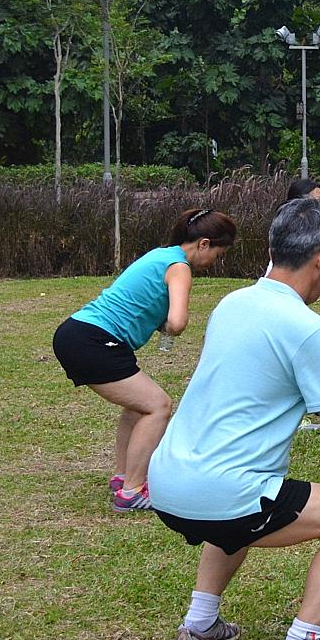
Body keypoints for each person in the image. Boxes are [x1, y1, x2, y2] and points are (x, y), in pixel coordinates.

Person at [147, 197, 320, 640]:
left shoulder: (234, 303)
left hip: (166, 480)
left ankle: (199, 625)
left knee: (238, 506)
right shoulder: (305, 329)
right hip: (220, 492)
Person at [52, 208, 235, 513]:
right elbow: (176, 322)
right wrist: (169, 324)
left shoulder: (161, 254)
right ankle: (132, 492)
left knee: (139, 407)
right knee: (158, 406)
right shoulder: (179, 267)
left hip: (78, 332)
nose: (215, 262)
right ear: (204, 244)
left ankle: (125, 476)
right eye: (218, 254)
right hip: (94, 341)